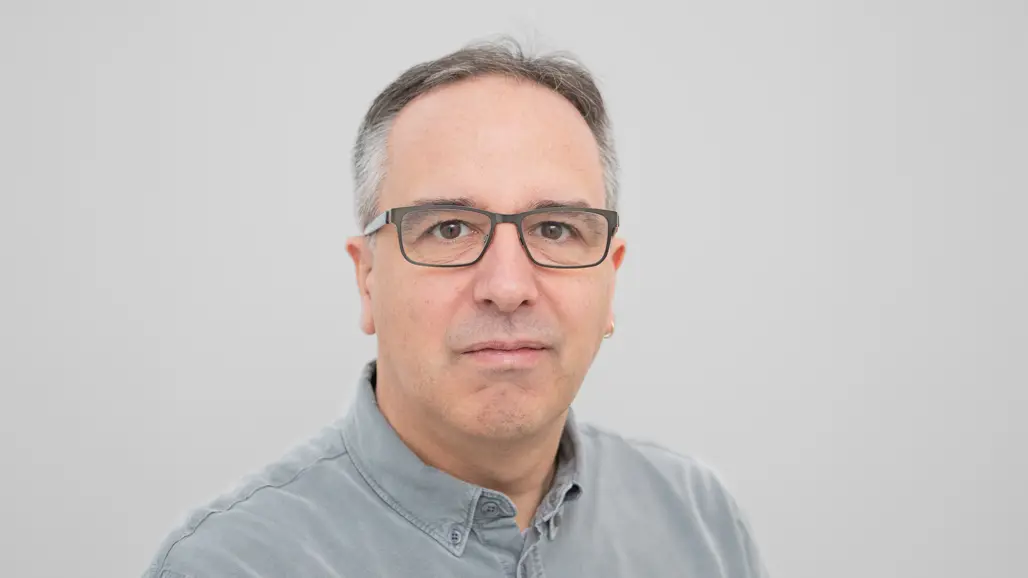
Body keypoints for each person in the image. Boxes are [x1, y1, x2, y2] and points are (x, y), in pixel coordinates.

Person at [143, 38, 769, 578]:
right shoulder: (232, 565)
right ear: (367, 280)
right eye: (449, 229)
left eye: (555, 229)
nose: (507, 285)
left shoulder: (699, 521)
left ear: (611, 277)